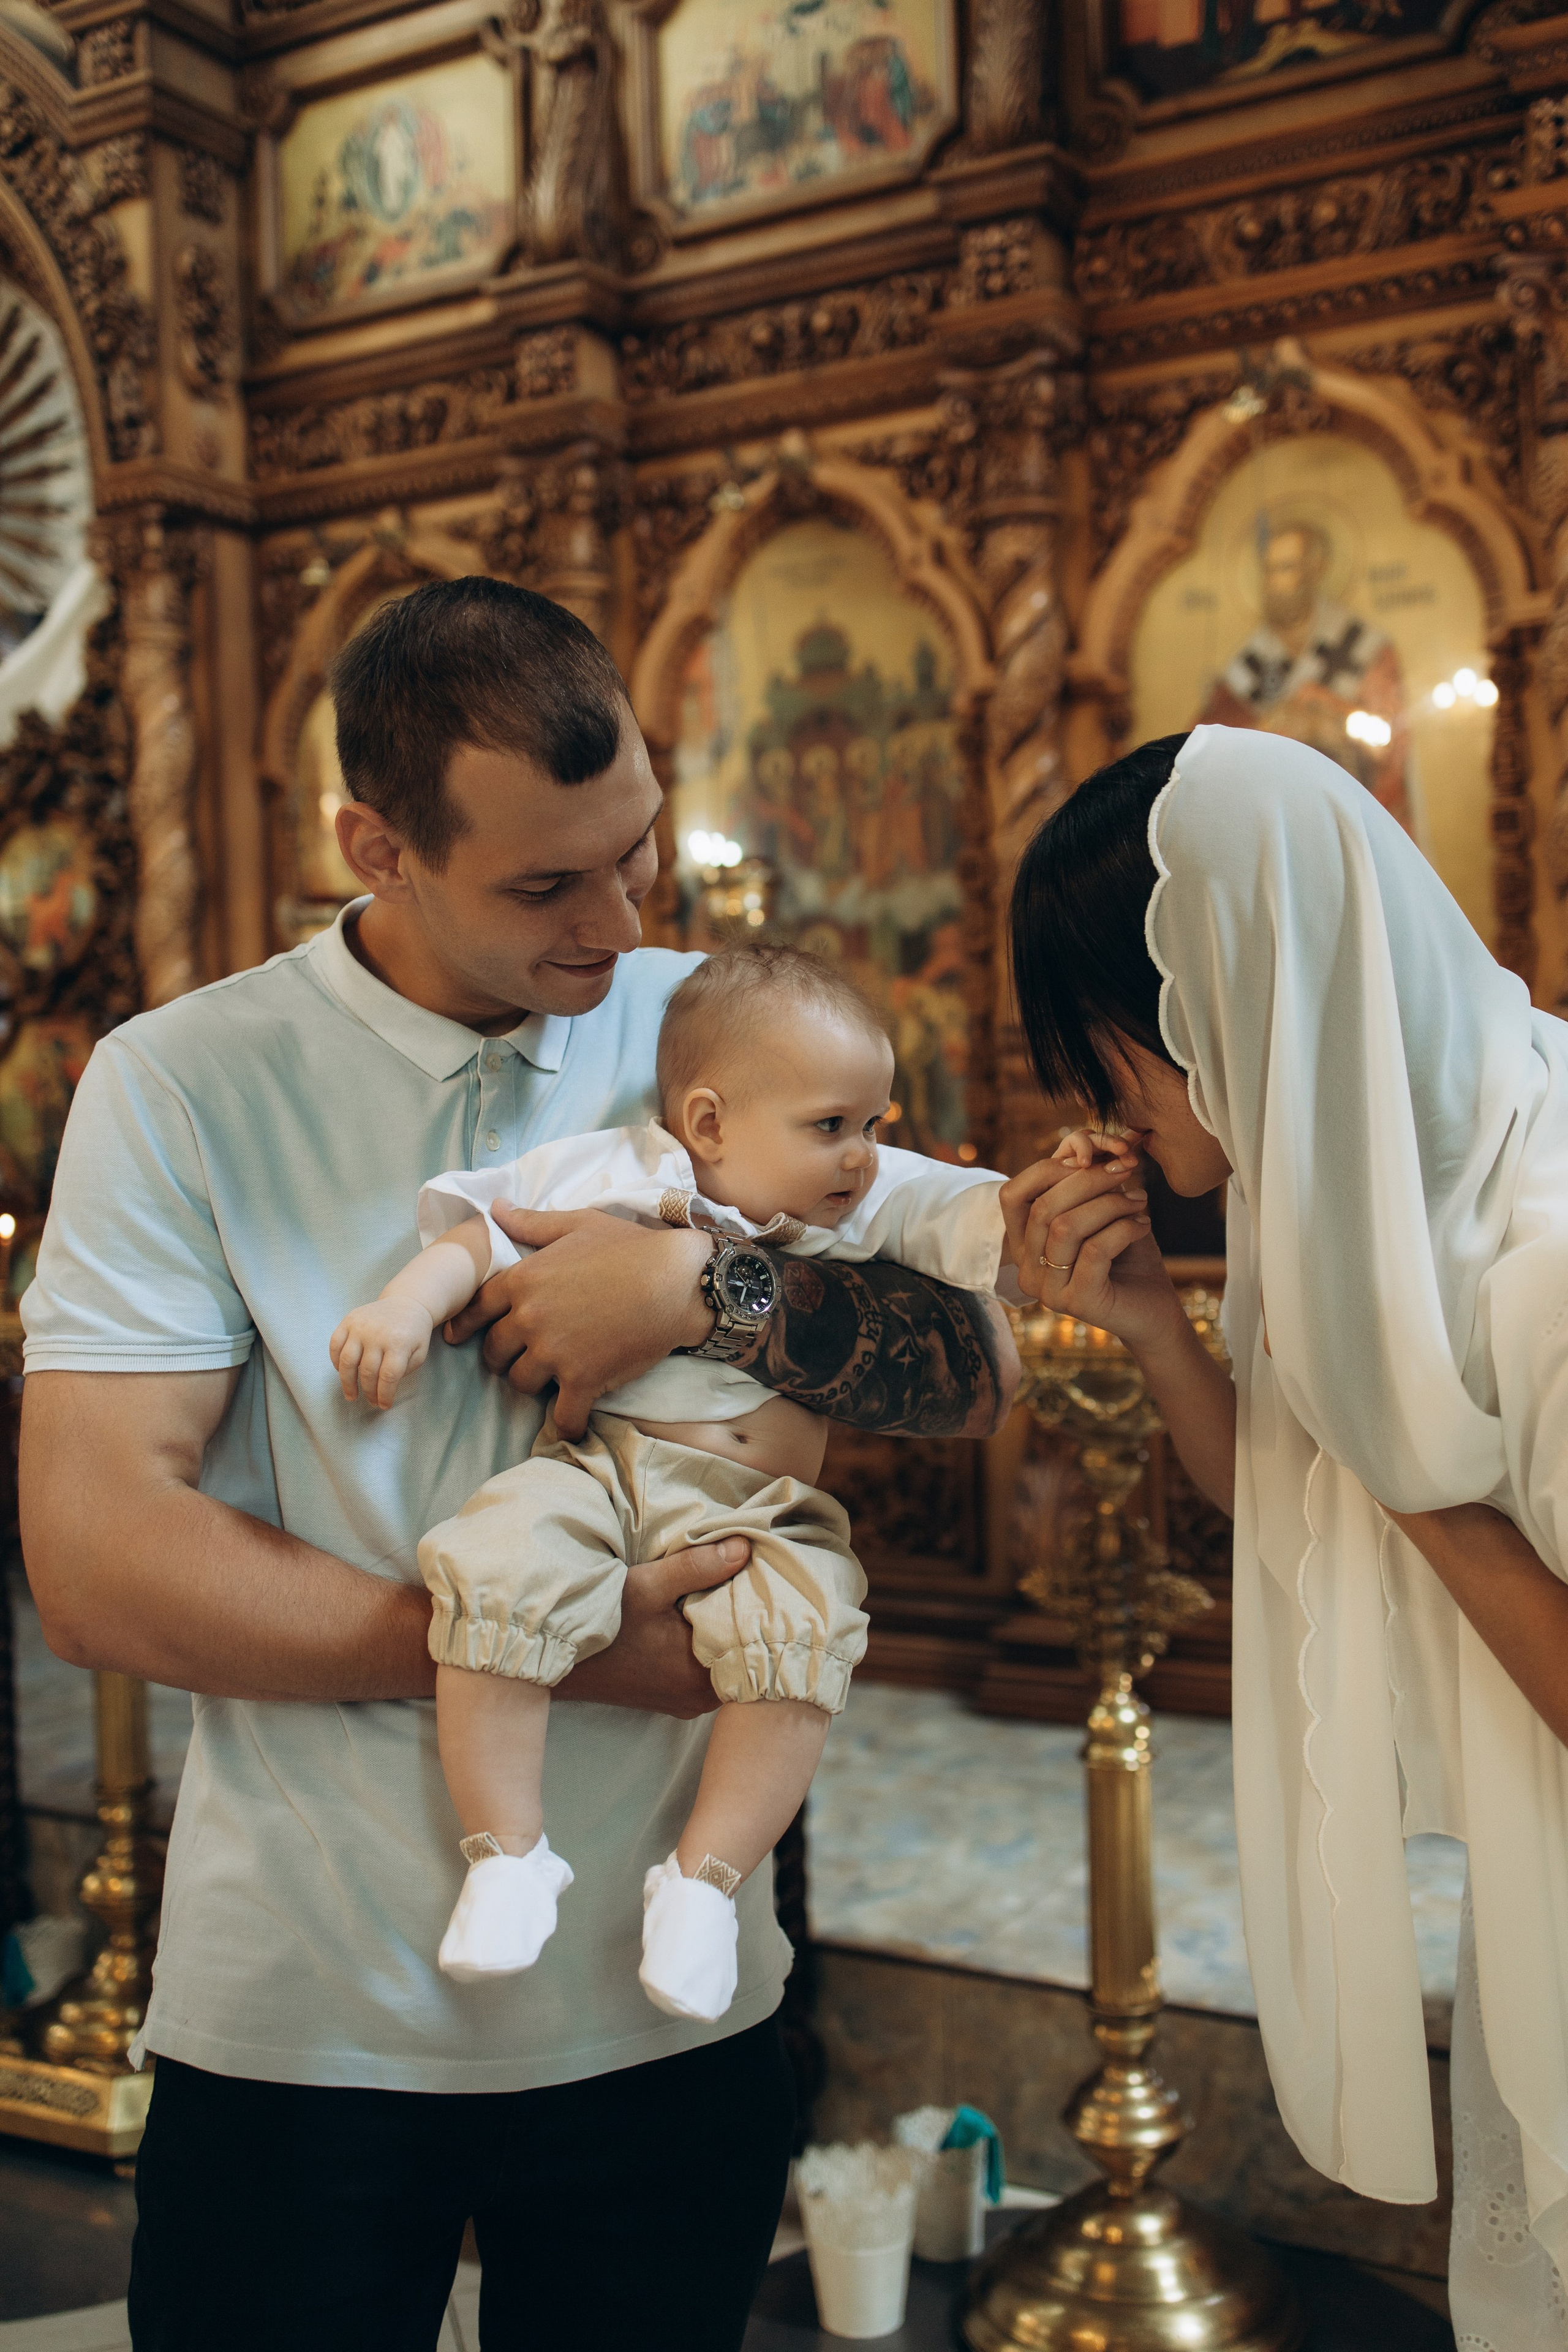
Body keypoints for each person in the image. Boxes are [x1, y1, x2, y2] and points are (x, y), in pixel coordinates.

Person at [17, 578, 1019, 2352]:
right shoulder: (184, 1085)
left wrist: (697, 1286)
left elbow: (968, 1373)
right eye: (548, 884)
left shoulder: (718, 1035)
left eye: (635, 854)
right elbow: (98, 1559)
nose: (618, 922)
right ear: (376, 844)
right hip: (312, 2014)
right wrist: (550, 1639)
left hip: (673, 2008)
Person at [1003, 722, 1568, 2350]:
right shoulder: (1340, 1196)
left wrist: (1407, 1462)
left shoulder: (1541, 1242)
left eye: (1108, 1049)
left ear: (1228, 985)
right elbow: (1303, 1512)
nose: (1095, 1103)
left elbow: (1390, 1491)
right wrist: (1163, 1338)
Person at [330, 944, 1010, 2017]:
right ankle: (506, 1852)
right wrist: (403, 1311)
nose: (866, 1157)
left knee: (802, 1635)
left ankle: (702, 1883)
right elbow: (486, 1233)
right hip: (603, 1473)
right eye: (836, 1127)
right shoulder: (619, 1174)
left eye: (874, 1127)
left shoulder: (844, 1204)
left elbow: (961, 1219)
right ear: (707, 1124)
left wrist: (1043, 1213)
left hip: (765, 1512)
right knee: (501, 1566)